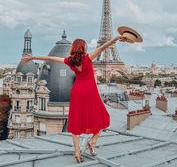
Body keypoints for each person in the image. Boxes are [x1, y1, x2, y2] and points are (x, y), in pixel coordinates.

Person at [22, 35, 125, 163]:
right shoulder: (88, 58)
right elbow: (103, 47)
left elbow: (50, 58)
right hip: (90, 93)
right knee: (103, 118)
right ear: (83, 47)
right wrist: (115, 39)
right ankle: (92, 141)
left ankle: (77, 152)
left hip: (77, 92)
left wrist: (33, 57)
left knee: (76, 122)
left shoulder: (70, 61)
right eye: (85, 45)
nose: (87, 46)